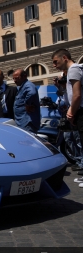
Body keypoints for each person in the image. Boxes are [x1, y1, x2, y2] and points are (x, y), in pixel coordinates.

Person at [52, 49, 83, 185]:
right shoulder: (71, 71)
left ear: (64, 58)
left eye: (55, 61)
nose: (54, 65)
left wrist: (71, 111)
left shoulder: (74, 69)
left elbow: (76, 95)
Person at [12, 69, 40, 133]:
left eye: (17, 78)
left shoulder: (28, 85)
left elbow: (32, 93)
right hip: (22, 123)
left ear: (24, 76)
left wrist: (27, 104)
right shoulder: (22, 87)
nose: (14, 81)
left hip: (27, 123)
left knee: (28, 142)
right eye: (13, 78)